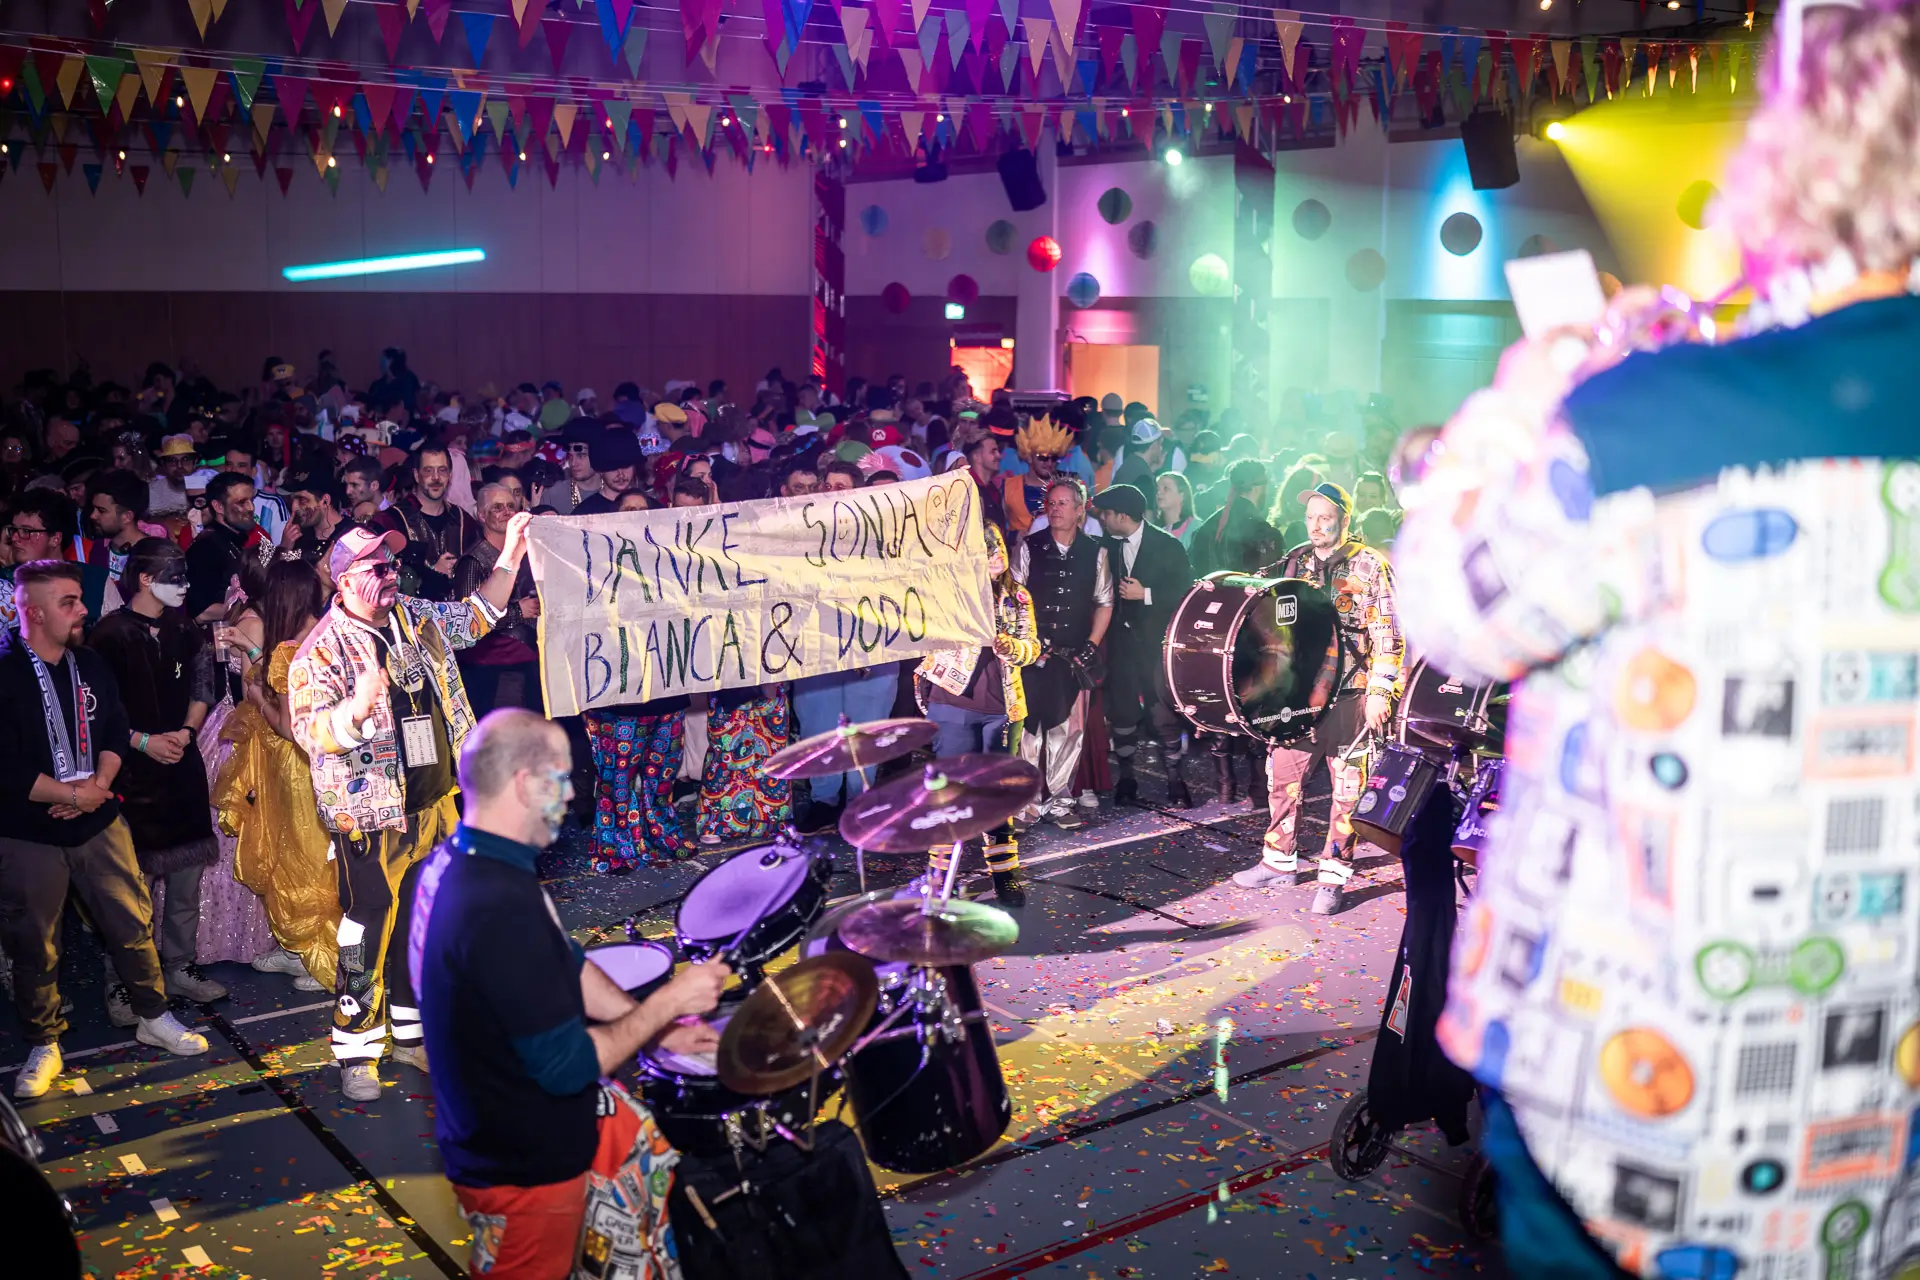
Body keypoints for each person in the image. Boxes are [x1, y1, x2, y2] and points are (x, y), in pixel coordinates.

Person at [1393, 6, 1920, 1272]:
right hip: (1885, 1121)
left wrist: (1531, 397)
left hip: (1637, 1120)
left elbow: (1447, 606)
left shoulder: (1648, 425)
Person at [410, 709, 727, 1280]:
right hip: (524, 1170)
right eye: (562, 775)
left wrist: (658, 1030)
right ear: (525, 784)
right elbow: (566, 1066)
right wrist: (668, 1002)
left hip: (493, 1130)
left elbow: (569, 965)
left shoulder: (456, 863)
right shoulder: (497, 908)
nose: (573, 789)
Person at [287, 514, 531, 1100]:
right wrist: (354, 712)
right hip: (373, 815)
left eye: (392, 562)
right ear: (344, 580)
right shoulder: (319, 652)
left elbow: (477, 616)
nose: (391, 572)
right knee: (366, 928)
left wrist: (513, 553)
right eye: (376, 566)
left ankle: (411, 1034)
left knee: (421, 923)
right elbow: (308, 731)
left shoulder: (415, 616)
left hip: (435, 802)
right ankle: (355, 1048)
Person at [1, 561, 209, 1098]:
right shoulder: (3, 673)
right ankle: (43, 1041)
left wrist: (97, 785)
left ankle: (153, 1015)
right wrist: (72, 793)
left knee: (132, 918)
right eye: (69, 602)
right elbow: (6, 766)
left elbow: (115, 727)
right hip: (30, 830)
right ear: (33, 611)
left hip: (99, 818)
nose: (84, 610)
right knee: (35, 941)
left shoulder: (88, 662)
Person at [1231, 483, 1402, 916]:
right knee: (1282, 780)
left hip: (1351, 695)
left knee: (1348, 790)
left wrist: (1381, 691)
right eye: (1310, 518)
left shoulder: (1370, 566)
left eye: (1325, 517)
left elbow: (1389, 635)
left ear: (1345, 519)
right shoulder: (1296, 562)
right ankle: (1278, 859)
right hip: (1299, 699)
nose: (1316, 526)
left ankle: (1334, 874)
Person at [86, 538, 229, 1018]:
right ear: (145, 578)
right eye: (177, 576)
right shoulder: (107, 635)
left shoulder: (187, 629)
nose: (186, 586)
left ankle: (180, 967)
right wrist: (142, 740)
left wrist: (187, 733)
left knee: (186, 883)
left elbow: (204, 685)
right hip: (128, 772)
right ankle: (123, 982)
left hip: (180, 765)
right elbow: (96, 710)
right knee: (130, 890)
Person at [215, 556, 338, 992]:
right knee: (302, 850)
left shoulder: (295, 649)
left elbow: (288, 725)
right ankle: (297, 944)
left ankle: (314, 951)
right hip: (308, 760)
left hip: (298, 762)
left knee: (304, 852)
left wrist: (256, 696)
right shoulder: (321, 634)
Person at [915, 523, 1040, 905]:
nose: (996, 554)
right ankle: (940, 877)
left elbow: (1032, 646)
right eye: (985, 550)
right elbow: (921, 632)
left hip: (1001, 708)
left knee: (995, 795)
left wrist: (1013, 647)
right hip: (952, 702)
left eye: (998, 546)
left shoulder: (1017, 596)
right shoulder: (945, 593)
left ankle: (1005, 874)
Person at [1011, 478, 1112, 829]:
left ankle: (1059, 800)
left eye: (1063, 503)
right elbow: (1013, 598)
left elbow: (1104, 601)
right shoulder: (1029, 547)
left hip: (1073, 656)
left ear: (1080, 510)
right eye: (1051, 503)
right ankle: (1024, 804)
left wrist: (1091, 645)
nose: (1055, 509)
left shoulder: (1096, 552)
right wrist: (1027, 642)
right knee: (1028, 729)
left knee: (1068, 729)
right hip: (1033, 653)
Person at [1090, 484, 1195, 808]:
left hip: (1155, 645)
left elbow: (1185, 592)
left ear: (1123, 516)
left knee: (1163, 714)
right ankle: (1127, 778)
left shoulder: (1167, 545)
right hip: (1120, 648)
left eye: (1107, 514)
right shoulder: (1105, 546)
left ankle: (1176, 781)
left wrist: (1145, 594)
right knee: (1121, 714)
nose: (1103, 519)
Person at [451, 482, 542, 718]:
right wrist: (518, 612)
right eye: (497, 507)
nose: (507, 512)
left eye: (511, 506)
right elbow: (467, 622)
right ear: (481, 515)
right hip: (491, 671)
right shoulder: (473, 561)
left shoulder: (528, 552)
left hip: (527, 660)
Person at [383, 445, 476, 602]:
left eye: (442, 470)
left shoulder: (464, 520)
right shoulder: (392, 520)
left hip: (457, 617)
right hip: (410, 619)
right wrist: (433, 572)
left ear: (450, 475)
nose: (436, 478)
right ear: (416, 475)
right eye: (428, 470)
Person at [184, 471, 262, 622]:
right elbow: (202, 612)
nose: (251, 507)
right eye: (241, 502)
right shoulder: (205, 548)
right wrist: (258, 610)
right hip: (219, 641)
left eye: (251, 500)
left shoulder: (239, 540)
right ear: (218, 506)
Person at [999, 415, 1072, 537]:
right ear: (1029, 457)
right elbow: (997, 529)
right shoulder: (1008, 486)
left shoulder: (1067, 488)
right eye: (1042, 458)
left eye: (1053, 458)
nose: (1049, 463)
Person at [284, 470, 351, 575]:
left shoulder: (352, 537)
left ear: (325, 501)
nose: (294, 507)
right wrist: (285, 547)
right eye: (292, 500)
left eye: (302, 500)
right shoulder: (298, 537)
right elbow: (285, 578)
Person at [570, 428, 641, 516]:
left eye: (625, 466)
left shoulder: (651, 507)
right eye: (613, 468)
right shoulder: (585, 513)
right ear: (601, 470)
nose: (621, 474)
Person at [1154, 471, 1196, 546]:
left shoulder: (1196, 529)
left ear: (1182, 495)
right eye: (1157, 489)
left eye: (1166, 488)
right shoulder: (1152, 530)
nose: (1159, 492)